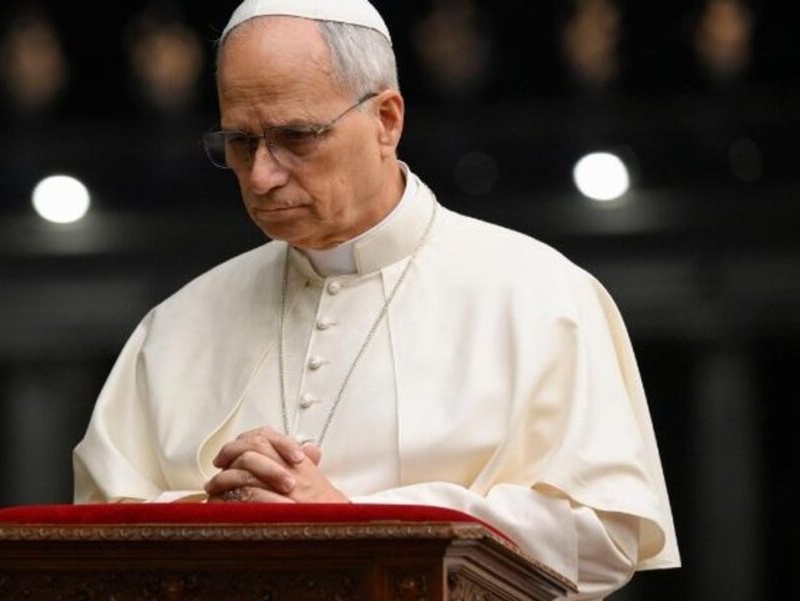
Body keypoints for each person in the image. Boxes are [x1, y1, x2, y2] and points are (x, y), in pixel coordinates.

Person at [73, 1, 680, 597]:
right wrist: (223, 513)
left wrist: (349, 520)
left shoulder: (541, 294)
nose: (261, 176)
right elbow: (84, 543)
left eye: (296, 137)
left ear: (386, 119)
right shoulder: (175, 325)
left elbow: (604, 537)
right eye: (239, 142)